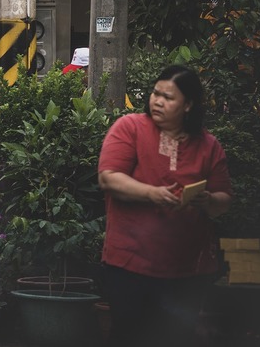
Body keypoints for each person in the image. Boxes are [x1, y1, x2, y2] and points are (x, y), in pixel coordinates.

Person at [97, 65, 232, 347]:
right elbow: (109, 178)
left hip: (187, 270)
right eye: (156, 93)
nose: (157, 101)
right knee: (128, 337)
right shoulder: (130, 127)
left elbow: (224, 200)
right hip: (130, 264)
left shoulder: (208, 145)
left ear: (188, 105)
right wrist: (152, 194)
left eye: (168, 97)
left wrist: (207, 200)